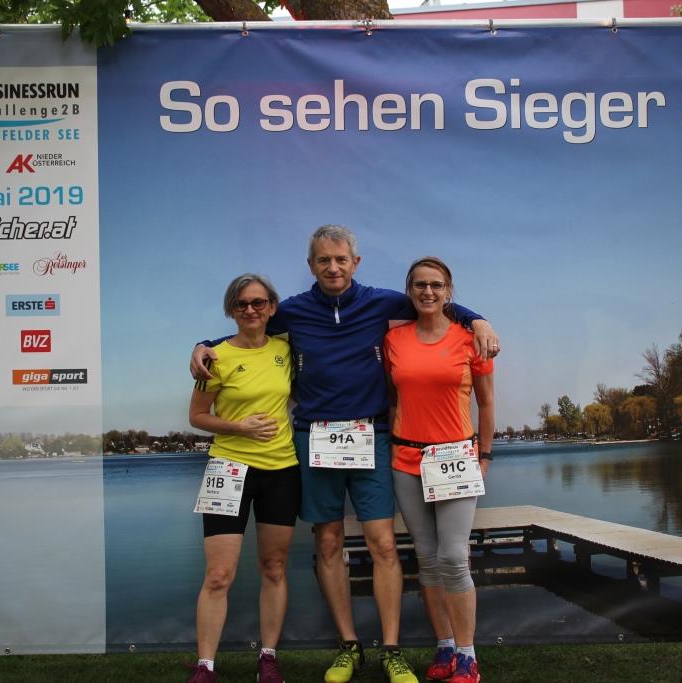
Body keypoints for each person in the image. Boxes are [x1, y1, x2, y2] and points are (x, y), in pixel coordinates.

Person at [190, 225, 500, 683]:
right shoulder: (291, 310)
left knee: (384, 544)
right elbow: (246, 328)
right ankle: (348, 645)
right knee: (328, 543)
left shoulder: (382, 302)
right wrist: (203, 345)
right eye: (323, 260)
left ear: (355, 263)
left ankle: (391, 649)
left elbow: (433, 300)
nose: (332, 267)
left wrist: (478, 320)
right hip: (313, 439)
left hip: (372, 436)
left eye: (340, 259)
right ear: (311, 265)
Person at [384, 256, 495, 683]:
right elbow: (392, 398)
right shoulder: (394, 340)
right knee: (427, 559)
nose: (427, 292)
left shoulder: (470, 340)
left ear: (449, 291)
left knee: (453, 557)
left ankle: (468, 655)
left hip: (455, 459)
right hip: (406, 461)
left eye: (436, 285)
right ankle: (445, 646)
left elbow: (486, 403)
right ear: (409, 291)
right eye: (419, 285)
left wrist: (485, 456)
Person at [187, 274, 301, 683]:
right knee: (218, 575)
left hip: (281, 470)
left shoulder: (286, 350)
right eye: (241, 304)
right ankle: (205, 666)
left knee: (274, 568)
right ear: (231, 310)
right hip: (228, 468)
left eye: (258, 303)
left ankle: (268, 658)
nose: (250, 310)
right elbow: (197, 416)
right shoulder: (215, 357)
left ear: (272, 308)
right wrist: (239, 427)